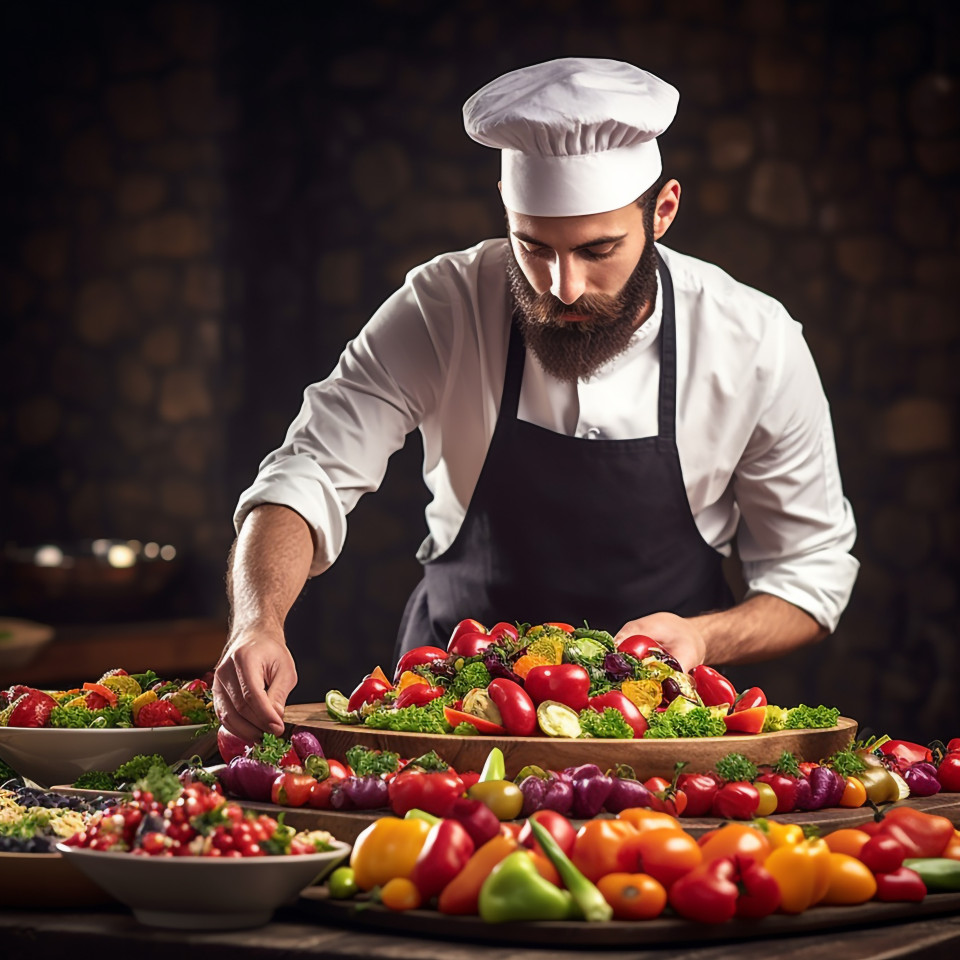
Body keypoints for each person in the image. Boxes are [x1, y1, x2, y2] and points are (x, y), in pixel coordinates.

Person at [213, 58, 859, 741]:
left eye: (598, 249)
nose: (564, 287)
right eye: (534, 246)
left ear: (663, 210)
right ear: (504, 204)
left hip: (659, 731)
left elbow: (809, 576)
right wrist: (258, 621)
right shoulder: (443, 305)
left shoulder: (754, 340)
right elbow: (307, 470)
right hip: (449, 719)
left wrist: (704, 638)